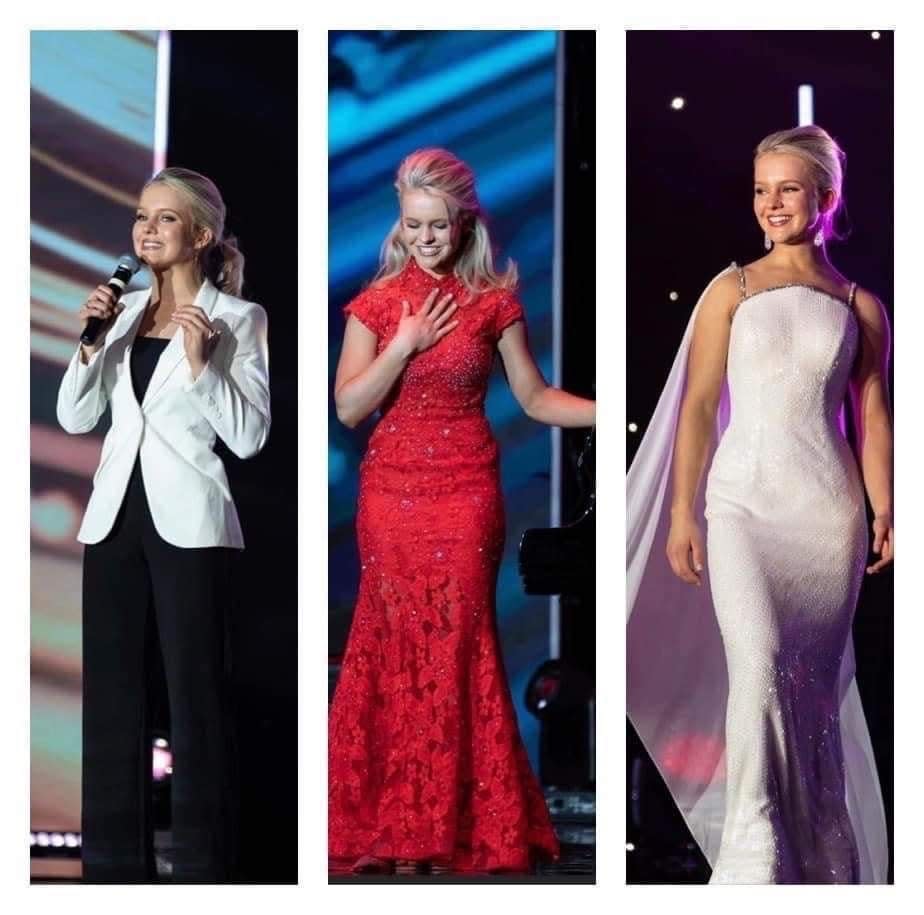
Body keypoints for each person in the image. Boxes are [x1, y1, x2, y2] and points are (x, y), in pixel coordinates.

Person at [627, 125, 892, 884]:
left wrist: (888, 510)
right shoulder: (732, 289)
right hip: (741, 503)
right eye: (759, 190)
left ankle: (814, 867)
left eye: (787, 189)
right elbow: (701, 406)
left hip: (825, 516)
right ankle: (755, 859)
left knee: (809, 694)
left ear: (825, 198)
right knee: (759, 665)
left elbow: (874, 419)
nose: (770, 204)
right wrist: (685, 511)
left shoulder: (859, 305)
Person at [329, 147, 595, 874]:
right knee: (394, 648)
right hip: (391, 495)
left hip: (467, 493)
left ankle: (445, 827)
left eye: (436, 226)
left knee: (455, 650)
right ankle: (393, 827)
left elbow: (536, 397)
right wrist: (404, 344)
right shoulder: (378, 303)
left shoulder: (494, 301)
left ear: (464, 220)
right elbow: (350, 405)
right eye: (412, 226)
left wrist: (614, 411)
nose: (423, 239)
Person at [56, 167, 271, 883]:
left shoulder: (239, 319)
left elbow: (248, 438)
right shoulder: (117, 312)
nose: (146, 229)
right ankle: (112, 864)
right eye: (141, 217)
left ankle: (207, 864)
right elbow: (76, 418)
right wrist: (88, 346)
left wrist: (203, 365)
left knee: (195, 694)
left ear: (201, 235)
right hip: (115, 513)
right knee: (112, 697)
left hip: (190, 517)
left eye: (165, 219)